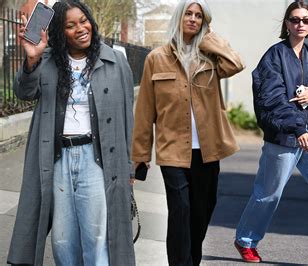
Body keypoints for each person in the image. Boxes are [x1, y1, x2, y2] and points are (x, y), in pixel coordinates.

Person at [7, 1, 136, 265]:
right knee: (63, 240)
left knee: (98, 236)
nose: (81, 28)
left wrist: (130, 165)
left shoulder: (115, 60)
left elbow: (127, 115)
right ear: (59, 32)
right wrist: (31, 59)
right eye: (70, 25)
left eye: (84, 20)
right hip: (57, 158)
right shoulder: (46, 61)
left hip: (97, 158)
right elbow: (23, 93)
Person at [131, 0, 244, 265]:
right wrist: (139, 154)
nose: (193, 19)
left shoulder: (210, 58)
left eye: (199, 16)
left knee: (201, 213)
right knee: (180, 211)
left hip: (207, 151)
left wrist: (210, 38)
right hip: (172, 151)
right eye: (189, 14)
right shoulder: (156, 58)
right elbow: (145, 111)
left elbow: (236, 64)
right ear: (179, 17)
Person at [233, 1, 308, 264]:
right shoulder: (274, 56)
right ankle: (245, 240)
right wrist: (298, 128)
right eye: (295, 20)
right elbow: (271, 100)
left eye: (306, 20)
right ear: (287, 23)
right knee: (269, 193)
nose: (301, 24)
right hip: (283, 139)